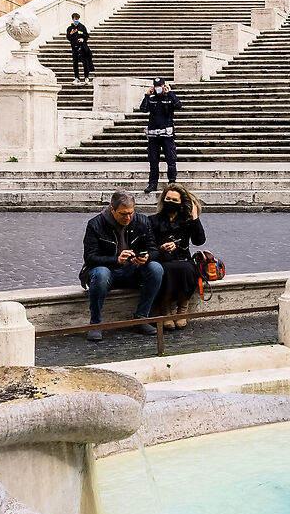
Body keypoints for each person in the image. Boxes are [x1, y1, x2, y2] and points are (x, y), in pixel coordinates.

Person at [81, 192, 164, 342]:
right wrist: (116, 260)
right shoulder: (95, 224)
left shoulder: (143, 221)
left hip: (132, 270)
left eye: (131, 213)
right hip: (106, 272)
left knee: (156, 268)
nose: (127, 218)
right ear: (112, 209)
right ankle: (95, 323)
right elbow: (90, 258)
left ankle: (141, 317)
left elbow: (154, 250)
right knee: (101, 273)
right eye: (123, 214)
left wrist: (146, 257)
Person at [148, 184, 208, 331]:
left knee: (187, 269)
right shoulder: (153, 220)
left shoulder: (187, 220)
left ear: (181, 202)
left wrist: (195, 218)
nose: (170, 202)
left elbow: (199, 241)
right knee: (166, 269)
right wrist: (161, 248)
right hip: (163, 258)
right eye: (167, 199)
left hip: (183, 258)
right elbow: (148, 245)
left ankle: (182, 308)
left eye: (174, 200)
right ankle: (165, 308)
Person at [141, 78, 180, 191]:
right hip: (153, 136)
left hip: (167, 136)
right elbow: (143, 109)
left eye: (160, 85)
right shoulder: (152, 99)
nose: (159, 87)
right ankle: (152, 184)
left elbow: (178, 105)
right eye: (156, 85)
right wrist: (147, 95)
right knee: (153, 162)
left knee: (171, 161)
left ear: (164, 86)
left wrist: (170, 93)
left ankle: (172, 184)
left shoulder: (169, 98)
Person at [65, 15, 95, 82]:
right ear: (72, 19)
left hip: (82, 47)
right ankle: (77, 78)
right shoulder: (70, 28)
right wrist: (71, 33)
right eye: (75, 19)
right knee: (75, 63)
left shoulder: (82, 27)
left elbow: (86, 36)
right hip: (74, 48)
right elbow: (68, 38)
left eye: (77, 19)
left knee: (85, 63)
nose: (76, 20)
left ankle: (86, 77)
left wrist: (83, 39)